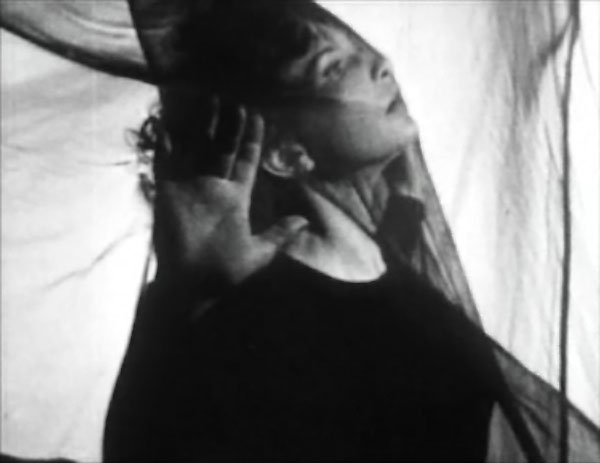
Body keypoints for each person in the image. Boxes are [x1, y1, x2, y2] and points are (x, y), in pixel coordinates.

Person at [104, 1, 501, 460]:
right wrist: (182, 293)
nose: (381, 64)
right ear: (288, 154)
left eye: (358, 48)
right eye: (333, 68)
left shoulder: (394, 240)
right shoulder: (260, 312)